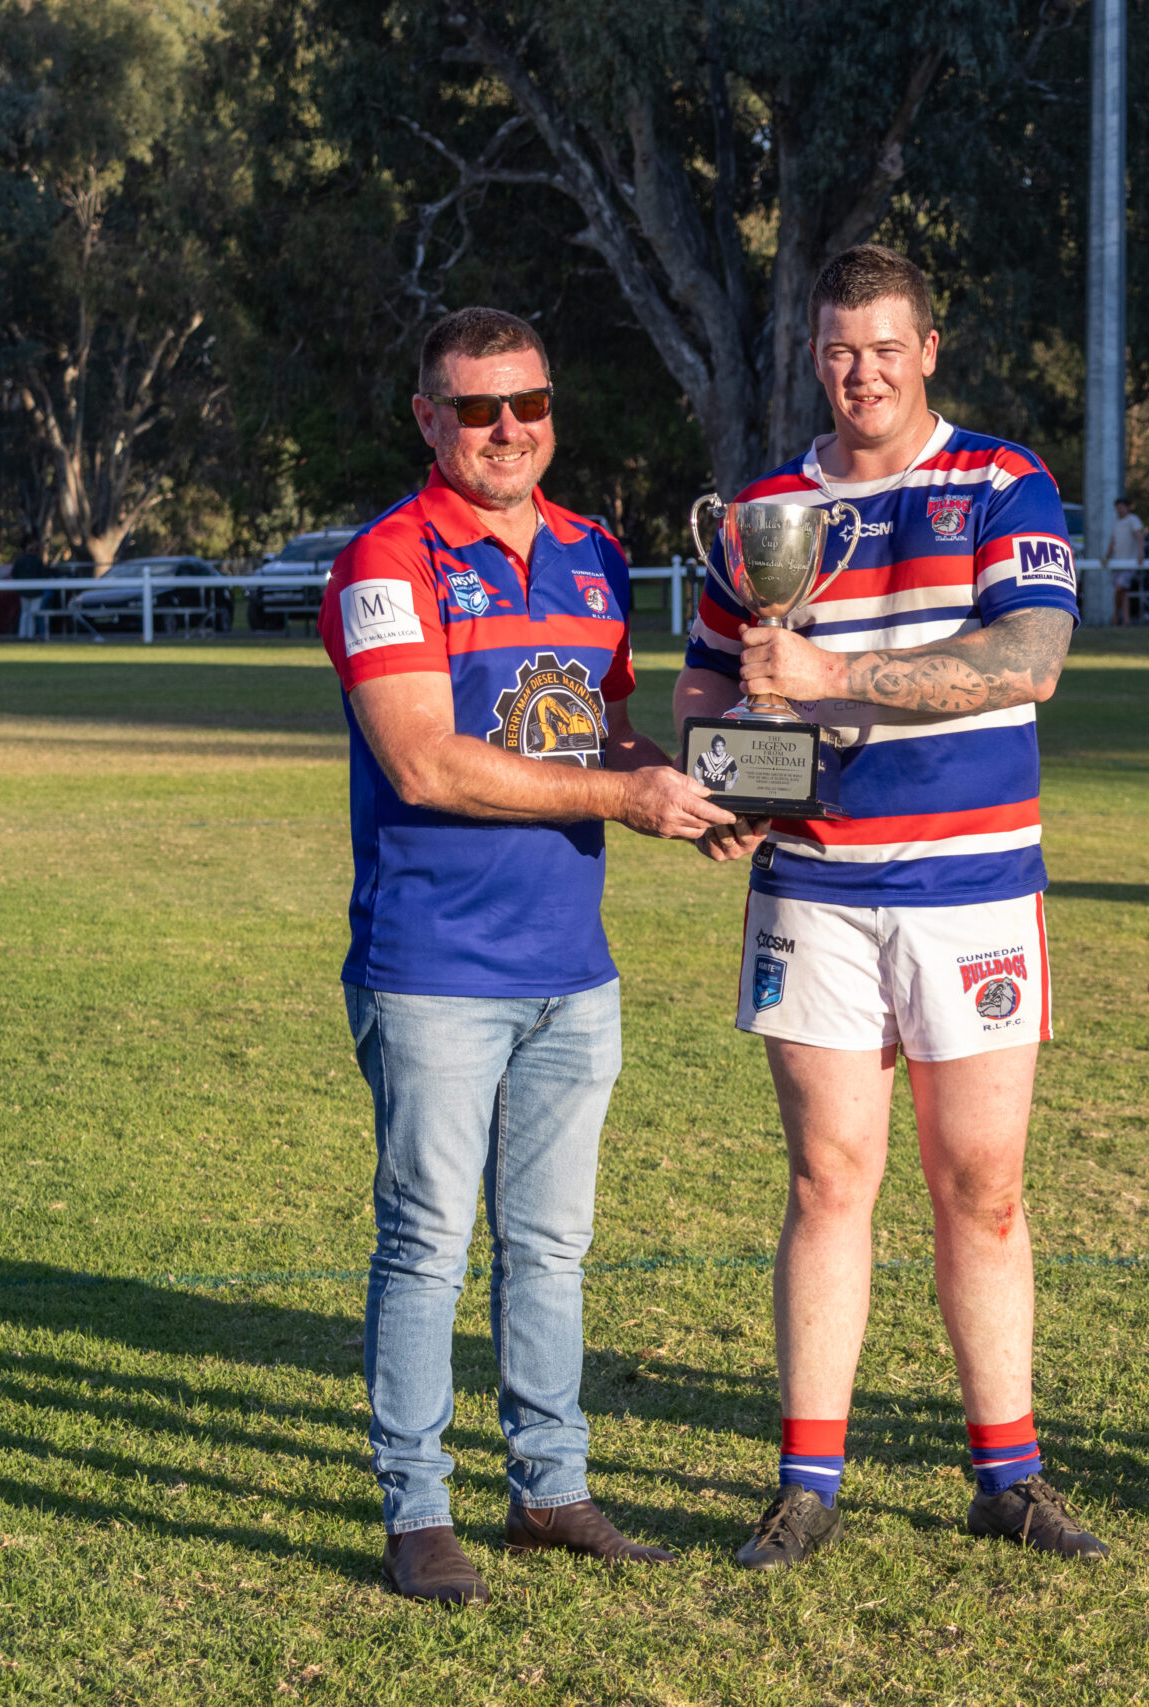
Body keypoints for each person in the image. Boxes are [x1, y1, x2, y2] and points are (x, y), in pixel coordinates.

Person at [671, 244, 1102, 1570]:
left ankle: (1007, 1471)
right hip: (817, 886)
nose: (863, 371)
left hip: (972, 887)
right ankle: (808, 1478)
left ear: (929, 351)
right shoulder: (765, 507)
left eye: (886, 346)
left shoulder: (1000, 479)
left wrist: (834, 670)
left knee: (980, 1187)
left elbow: (1030, 660)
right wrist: (726, 782)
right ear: (816, 355)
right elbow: (703, 689)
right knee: (828, 1179)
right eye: (840, 348)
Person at [320, 306, 732, 1604]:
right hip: (435, 964)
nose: (511, 431)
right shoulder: (386, 561)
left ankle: (550, 1488)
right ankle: (418, 1508)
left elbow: (599, 735)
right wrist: (625, 801)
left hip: (573, 968)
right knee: (428, 1242)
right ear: (429, 420)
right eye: (479, 408)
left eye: (531, 404)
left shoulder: (594, 552)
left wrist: (709, 785)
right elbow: (425, 760)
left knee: (552, 1247)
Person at [1107, 495, 1146, 626]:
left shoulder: (1133, 520)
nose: (1120, 510)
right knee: (1123, 591)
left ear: (1128, 508)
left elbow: (1139, 536)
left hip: (1129, 562)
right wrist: (1107, 557)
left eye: (1122, 507)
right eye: (1118, 508)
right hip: (1117, 563)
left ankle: (1115, 616)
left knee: (1120, 588)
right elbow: (1113, 542)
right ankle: (1126, 619)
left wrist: (1141, 553)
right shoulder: (1117, 523)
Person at [11, 531, 50, 638]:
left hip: (31, 593)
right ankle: (26, 635)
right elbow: (15, 574)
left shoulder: (34, 561)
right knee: (28, 614)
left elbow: (14, 574)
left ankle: (26, 635)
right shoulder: (28, 561)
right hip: (29, 593)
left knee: (28, 614)